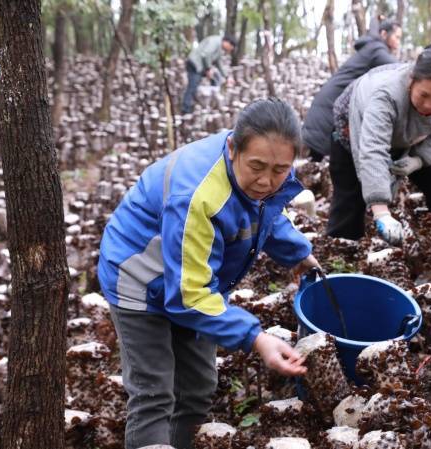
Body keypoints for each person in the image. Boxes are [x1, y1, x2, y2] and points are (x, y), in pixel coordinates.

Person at [98, 98, 319, 449]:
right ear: (233, 148)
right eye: (258, 166)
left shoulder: (266, 166)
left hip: (193, 279)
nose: (267, 180)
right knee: (154, 393)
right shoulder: (198, 196)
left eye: (280, 170)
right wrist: (257, 339)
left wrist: (298, 253)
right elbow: (189, 296)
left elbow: (264, 211)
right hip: (138, 278)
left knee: (198, 387)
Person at [327, 47, 431, 244]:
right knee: (350, 200)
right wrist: (381, 211)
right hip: (353, 125)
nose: (429, 105)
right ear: (411, 82)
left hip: (406, 133)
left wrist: (418, 160)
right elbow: (373, 150)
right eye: (424, 95)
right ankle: (340, 260)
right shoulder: (386, 96)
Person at [301, 19, 403, 162]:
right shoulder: (376, 49)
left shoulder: (372, 48)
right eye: (397, 37)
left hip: (329, 102)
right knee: (318, 162)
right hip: (330, 106)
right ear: (384, 34)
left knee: (319, 160)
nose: (398, 42)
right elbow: (401, 71)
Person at [181, 34, 237, 114]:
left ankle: (210, 105)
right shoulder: (215, 41)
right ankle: (185, 110)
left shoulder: (219, 48)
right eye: (230, 49)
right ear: (227, 43)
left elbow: (219, 63)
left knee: (215, 80)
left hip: (201, 66)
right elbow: (206, 54)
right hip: (195, 64)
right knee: (192, 87)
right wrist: (208, 69)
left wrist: (227, 76)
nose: (229, 51)